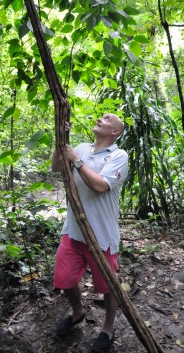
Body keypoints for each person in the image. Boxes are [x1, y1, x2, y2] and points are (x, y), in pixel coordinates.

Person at [51, 113, 128, 351]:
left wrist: (77, 161)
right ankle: (77, 312)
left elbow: (100, 186)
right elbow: (55, 167)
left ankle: (107, 329)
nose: (99, 119)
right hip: (73, 231)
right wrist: (61, 138)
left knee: (108, 286)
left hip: (101, 237)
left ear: (114, 131)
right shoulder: (82, 148)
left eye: (106, 119)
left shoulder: (118, 155)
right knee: (64, 279)